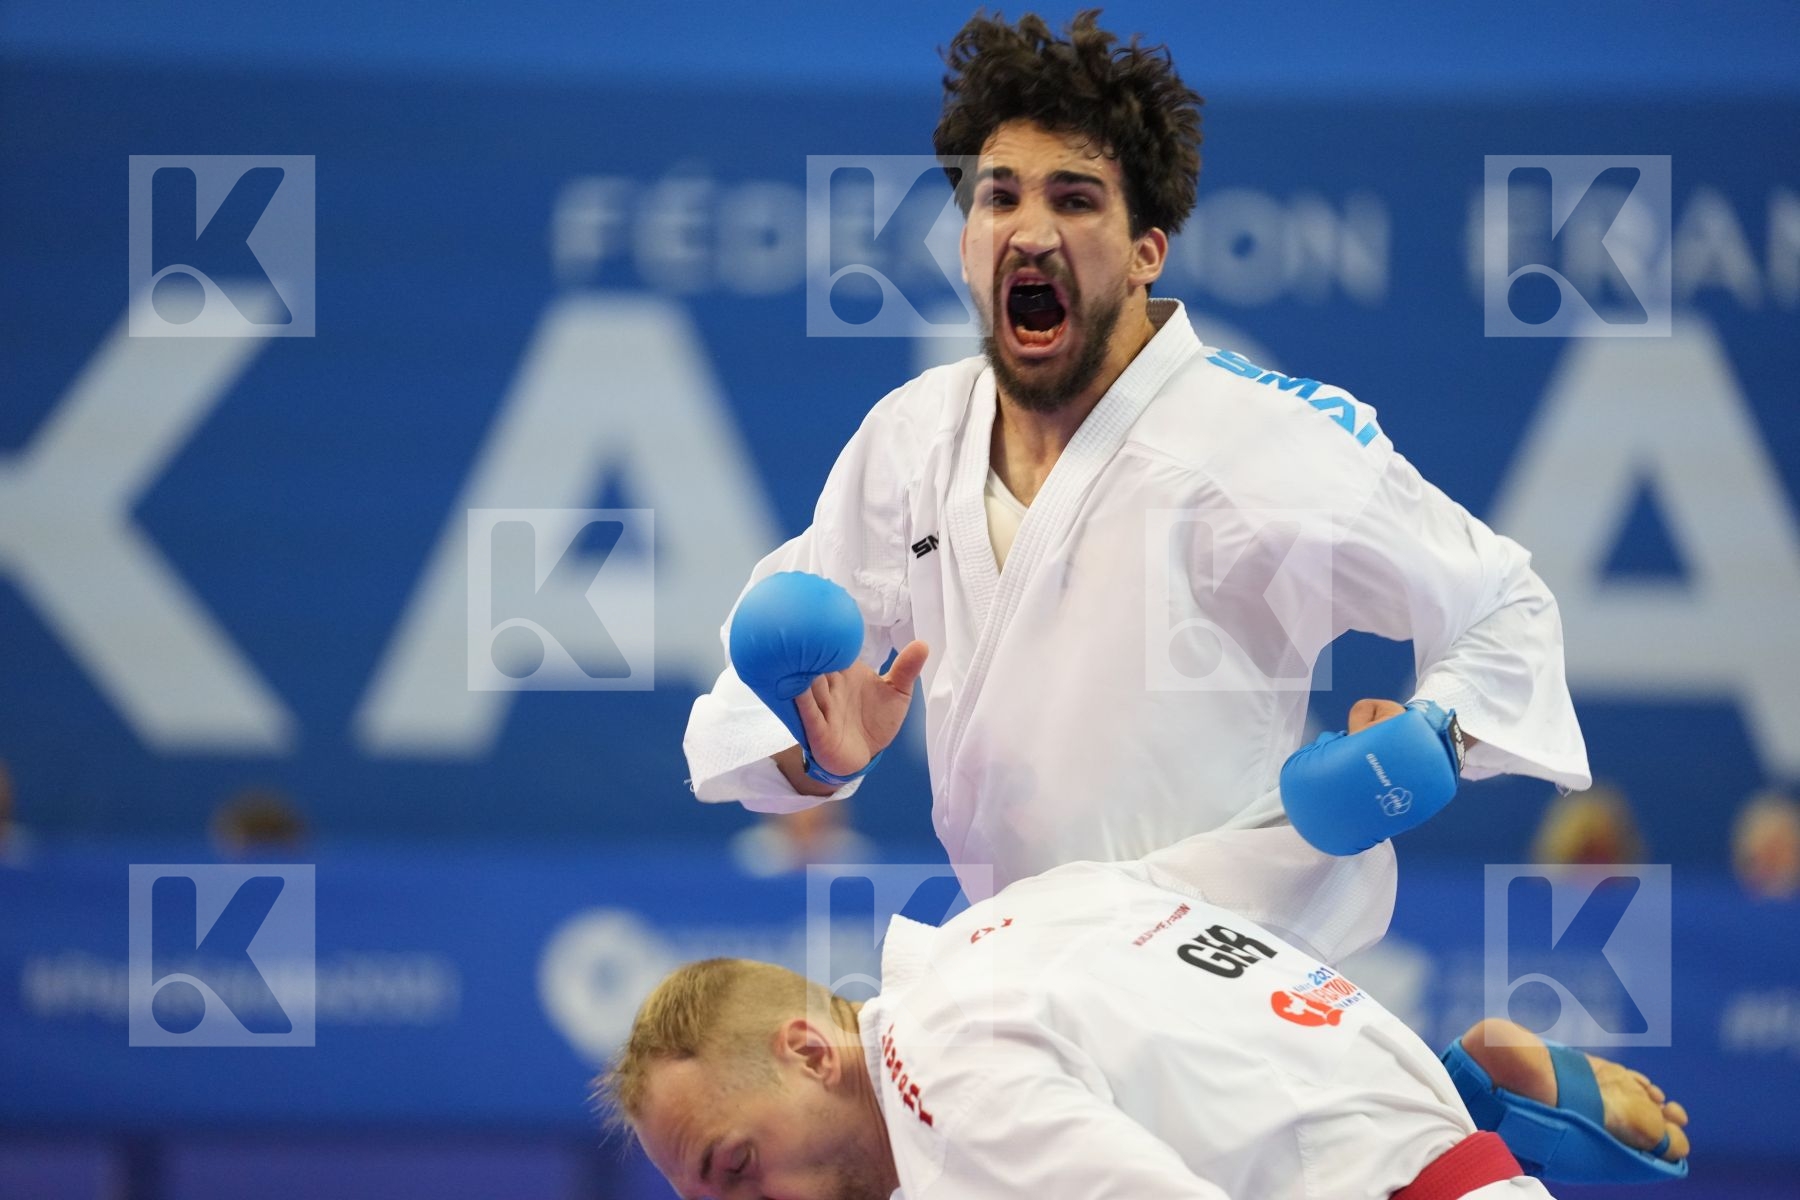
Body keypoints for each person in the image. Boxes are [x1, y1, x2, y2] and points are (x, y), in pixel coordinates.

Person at [684, 10, 1588, 938]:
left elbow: (1504, 602)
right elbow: (770, 713)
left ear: (1147, 251)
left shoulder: (1260, 436)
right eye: (999, 198)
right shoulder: (915, 435)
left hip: (1229, 957)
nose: (1029, 231)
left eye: (1075, 200)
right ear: (964, 244)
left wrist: (1435, 734)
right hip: (1018, 955)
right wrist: (823, 763)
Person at [600, 830, 1690, 1199]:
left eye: (737, 1169)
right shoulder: (1011, 922)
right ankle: (1465, 1094)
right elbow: (1279, 877)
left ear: (809, 1049)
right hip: (1378, 1100)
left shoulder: (953, 1086)